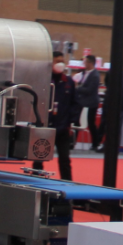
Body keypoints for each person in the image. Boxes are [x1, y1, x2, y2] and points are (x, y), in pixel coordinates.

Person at [49, 52, 80, 181]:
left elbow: (75, 103)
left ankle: (67, 182)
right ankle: (36, 180)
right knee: (39, 157)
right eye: (57, 61)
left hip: (63, 126)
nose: (60, 64)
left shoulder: (68, 82)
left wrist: (72, 121)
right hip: (45, 126)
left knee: (64, 158)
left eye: (62, 61)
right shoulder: (44, 79)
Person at [78, 52, 102, 151]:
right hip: (82, 101)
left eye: (86, 62)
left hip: (91, 103)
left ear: (91, 63)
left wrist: (78, 88)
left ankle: (95, 143)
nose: (84, 64)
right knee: (76, 121)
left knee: (91, 123)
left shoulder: (95, 75)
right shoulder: (84, 73)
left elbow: (89, 90)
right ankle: (72, 141)